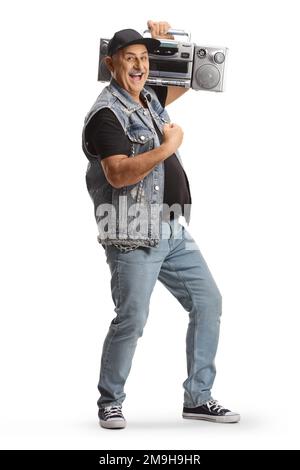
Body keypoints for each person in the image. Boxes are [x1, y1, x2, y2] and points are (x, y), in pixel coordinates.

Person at [82, 20, 240, 429]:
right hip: (132, 232)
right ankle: (110, 401)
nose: (139, 66)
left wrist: (167, 42)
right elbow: (117, 174)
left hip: (172, 230)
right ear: (110, 63)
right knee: (132, 319)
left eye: (144, 59)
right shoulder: (106, 115)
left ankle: (198, 399)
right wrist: (169, 146)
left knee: (209, 303)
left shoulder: (148, 97)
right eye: (130, 59)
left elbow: (188, 79)